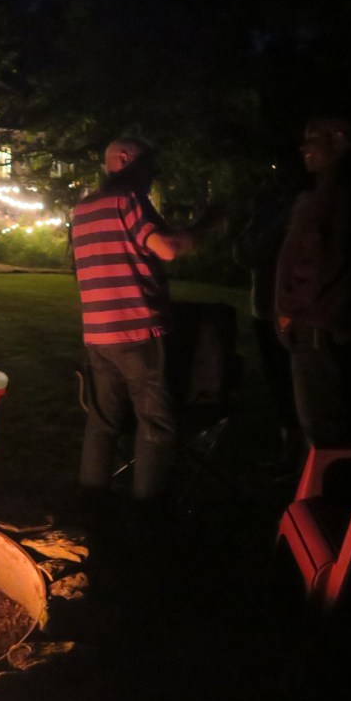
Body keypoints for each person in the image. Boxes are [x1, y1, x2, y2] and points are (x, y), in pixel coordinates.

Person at [71, 137, 224, 510]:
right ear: (124, 160)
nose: (151, 175)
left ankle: (92, 504)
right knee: (155, 424)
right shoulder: (127, 199)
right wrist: (207, 224)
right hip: (137, 330)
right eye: (148, 165)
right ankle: (148, 510)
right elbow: (167, 248)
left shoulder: (83, 208)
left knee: (102, 422)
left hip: (97, 333)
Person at [275, 116, 351, 450]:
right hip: (332, 321)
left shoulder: (338, 191)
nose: (304, 147)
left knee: (325, 429)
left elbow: (322, 259)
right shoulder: (339, 188)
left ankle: (334, 498)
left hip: (318, 325)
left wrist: (291, 309)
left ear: (339, 138)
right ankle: (347, 493)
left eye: (313, 138)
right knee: (342, 418)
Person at [234, 157, 308, 476]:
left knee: (302, 384)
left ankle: (312, 461)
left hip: (296, 310)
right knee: (279, 382)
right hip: (266, 306)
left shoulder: (306, 205)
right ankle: (292, 455)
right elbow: (244, 251)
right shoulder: (270, 208)